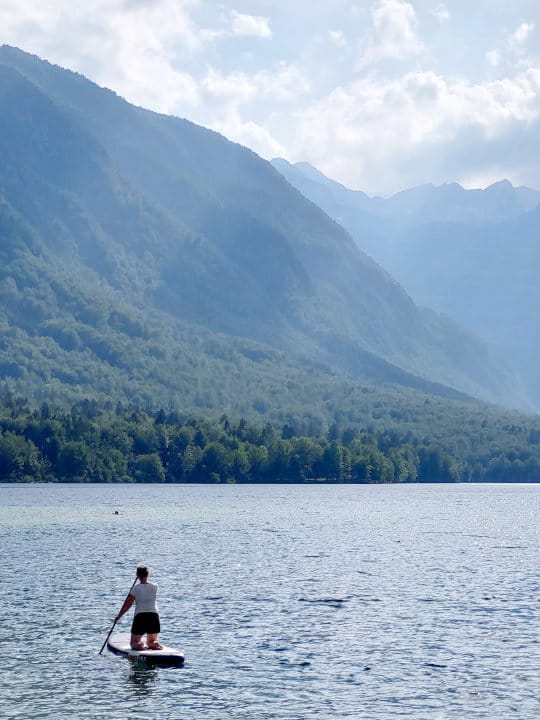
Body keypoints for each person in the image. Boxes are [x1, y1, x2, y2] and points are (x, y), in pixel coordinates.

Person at [115, 564, 163, 650]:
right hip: (153, 616)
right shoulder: (155, 586)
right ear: (147, 575)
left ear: (137, 576)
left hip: (140, 617)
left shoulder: (135, 589)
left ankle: (139, 645)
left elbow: (127, 604)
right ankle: (154, 644)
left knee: (133, 643)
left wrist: (119, 616)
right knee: (150, 642)